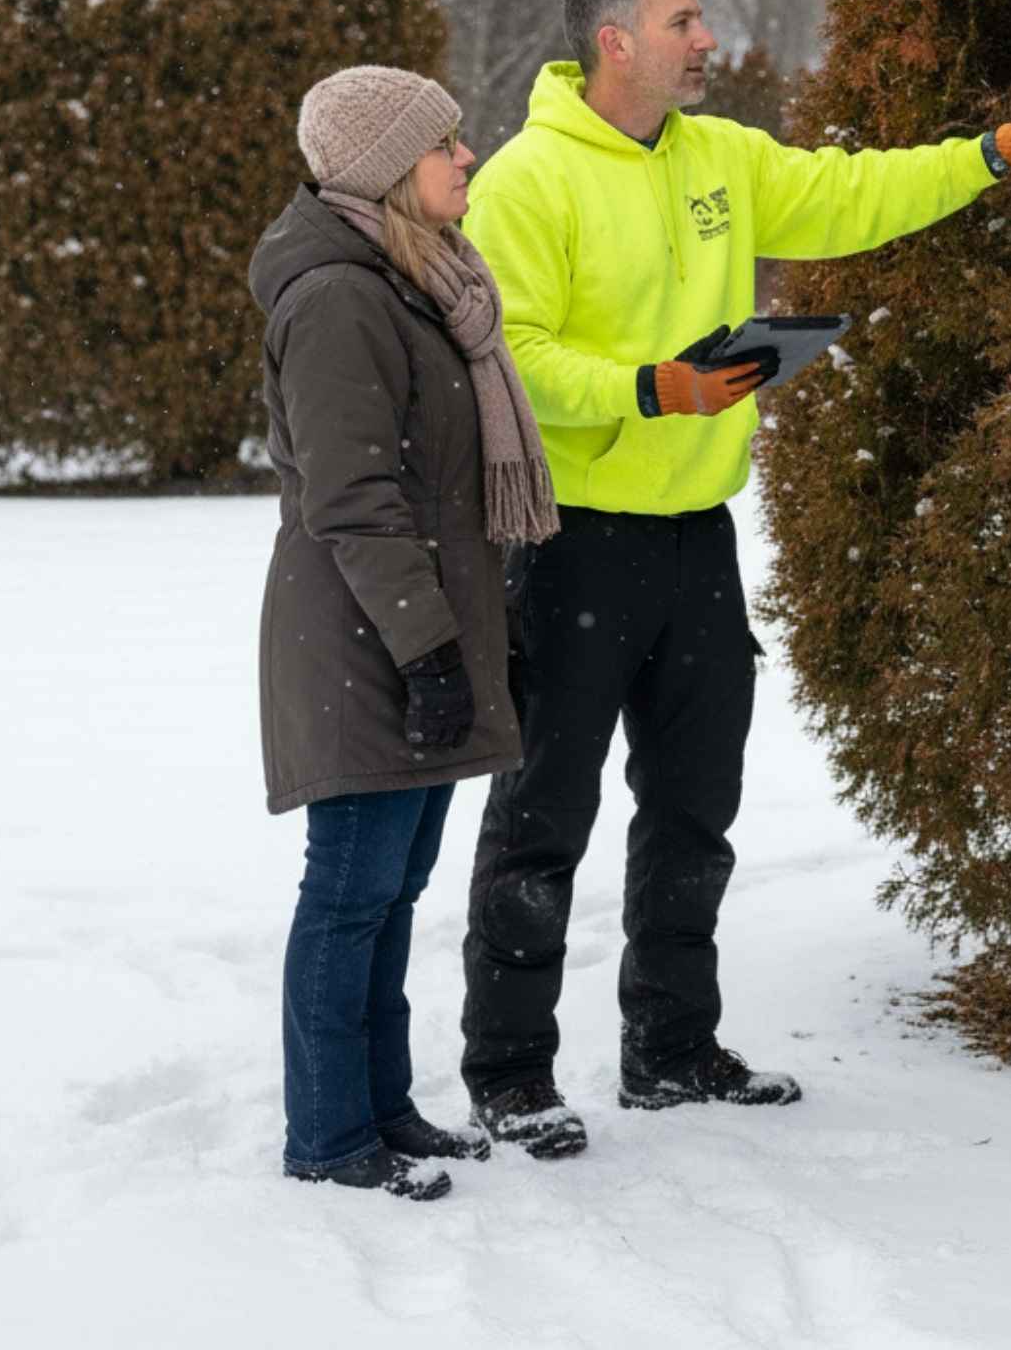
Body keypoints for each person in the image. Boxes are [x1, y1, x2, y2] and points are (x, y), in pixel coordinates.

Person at [457, 0, 1011, 1157]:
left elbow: (851, 195)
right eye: (682, 20)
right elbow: (512, 360)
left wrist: (991, 152)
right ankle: (508, 1069)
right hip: (573, 543)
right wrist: (655, 386)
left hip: (696, 541)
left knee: (694, 808)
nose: (705, 38)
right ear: (614, 41)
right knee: (542, 816)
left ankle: (669, 1046)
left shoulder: (721, 156)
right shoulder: (527, 180)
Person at [249, 65, 558, 1200]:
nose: (468, 156)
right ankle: (329, 1136)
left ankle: (382, 1107)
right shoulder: (341, 297)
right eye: (445, 143)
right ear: (387, 169)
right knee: (349, 891)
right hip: (362, 638)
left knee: (392, 889)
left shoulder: (416, 277)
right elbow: (354, 502)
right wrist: (427, 652)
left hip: (413, 626)